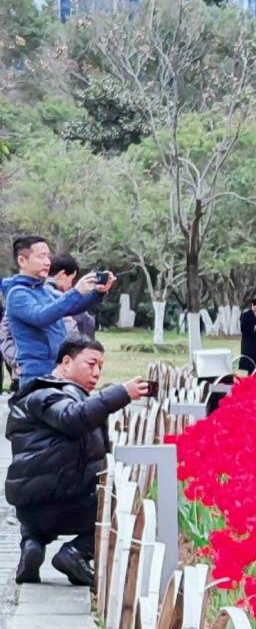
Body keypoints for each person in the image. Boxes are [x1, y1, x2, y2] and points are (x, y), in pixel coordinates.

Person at [4, 336, 149, 586]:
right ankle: (76, 553)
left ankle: (32, 544)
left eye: (100, 367)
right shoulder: (49, 394)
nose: (96, 373)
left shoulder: (37, 395)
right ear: (66, 362)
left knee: (41, 488)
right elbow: (72, 418)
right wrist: (121, 394)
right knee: (120, 507)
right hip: (66, 504)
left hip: (31, 511)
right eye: (91, 364)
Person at [2, 238, 113, 387]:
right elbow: (40, 316)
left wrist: (98, 292)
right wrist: (75, 292)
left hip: (58, 370)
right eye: (41, 256)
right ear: (22, 261)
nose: (47, 262)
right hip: (36, 373)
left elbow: (74, 306)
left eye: (48, 257)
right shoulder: (17, 294)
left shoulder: (45, 290)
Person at [46, 256, 98, 343]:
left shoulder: (33, 291)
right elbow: (73, 333)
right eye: (71, 280)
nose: (70, 286)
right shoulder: (60, 299)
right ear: (62, 275)